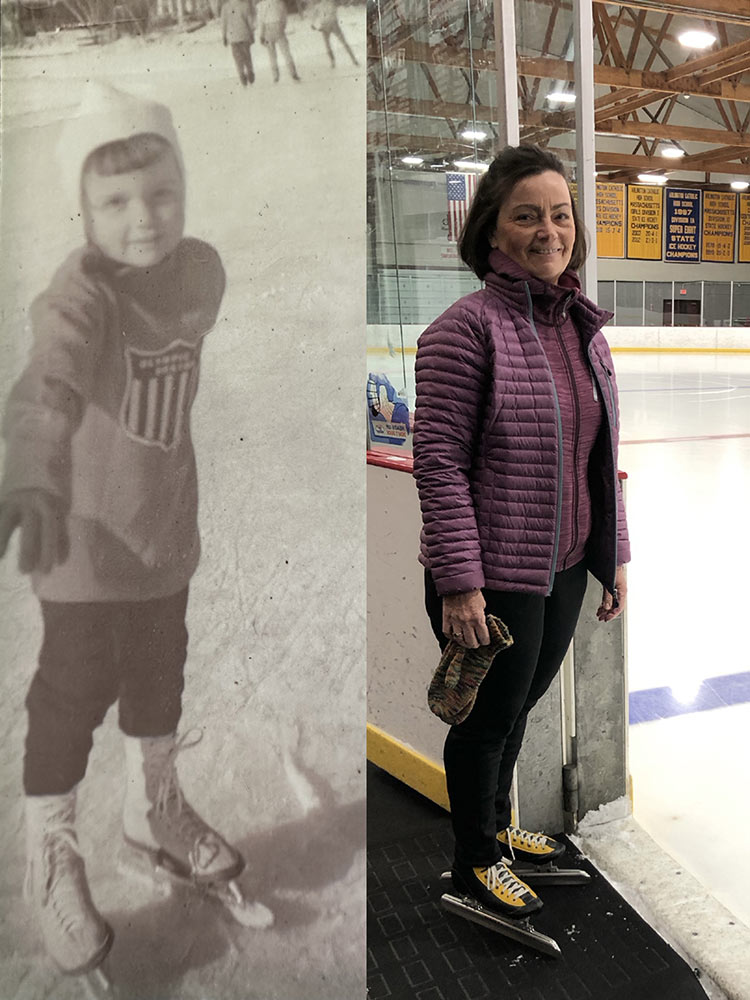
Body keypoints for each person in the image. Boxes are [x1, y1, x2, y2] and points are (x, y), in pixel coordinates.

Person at [0, 81, 246, 976]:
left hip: (161, 529)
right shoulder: (80, 294)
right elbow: (48, 381)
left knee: (159, 678)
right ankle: (52, 849)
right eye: (114, 201)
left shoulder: (202, 271)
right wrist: (31, 464)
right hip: (82, 539)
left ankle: (154, 807)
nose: (143, 218)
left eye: (161, 192)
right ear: (82, 211)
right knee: (69, 695)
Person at [412, 144, 630, 920]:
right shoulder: (463, 332)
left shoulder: (581, 330)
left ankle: (498, 829)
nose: (550, 229)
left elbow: (600, 461)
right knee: (486, 721)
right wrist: (460, 583)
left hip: (565, 564)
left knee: (521, 707)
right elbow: (437, 468)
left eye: (561, 213)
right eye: (527, 215)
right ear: (494, 232)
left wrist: (614, 558)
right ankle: (475, 861)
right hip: (495, 573)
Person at [256, 0, 301, 82]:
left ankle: (275, 76)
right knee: (286, 52)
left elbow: (260, 21)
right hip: (278, 26)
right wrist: (282, 27)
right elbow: (284, 17)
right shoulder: (279, 2)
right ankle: (293, 72)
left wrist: (261, 35)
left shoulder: (260, 5)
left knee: (272, 54)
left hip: (267, 29)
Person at [309, 0, 358, 68]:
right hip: (330, 24)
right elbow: (344, 4)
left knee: (329, 45)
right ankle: (353, 59)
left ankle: (335, 61)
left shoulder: (323, 4)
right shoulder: (330, 3)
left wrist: (312, 24)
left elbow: (314, 15)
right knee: (340, 42)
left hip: (327, 24)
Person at [221, 0, 257, 87]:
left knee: (238, 59)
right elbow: (250, 22)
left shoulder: (225, 7)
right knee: (247, 56)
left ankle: (242, 76)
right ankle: (250, 73)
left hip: (232, 37)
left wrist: (224, 37)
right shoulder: (245, 5)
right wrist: (252, 34)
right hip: (244, 34)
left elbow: (223, 24)